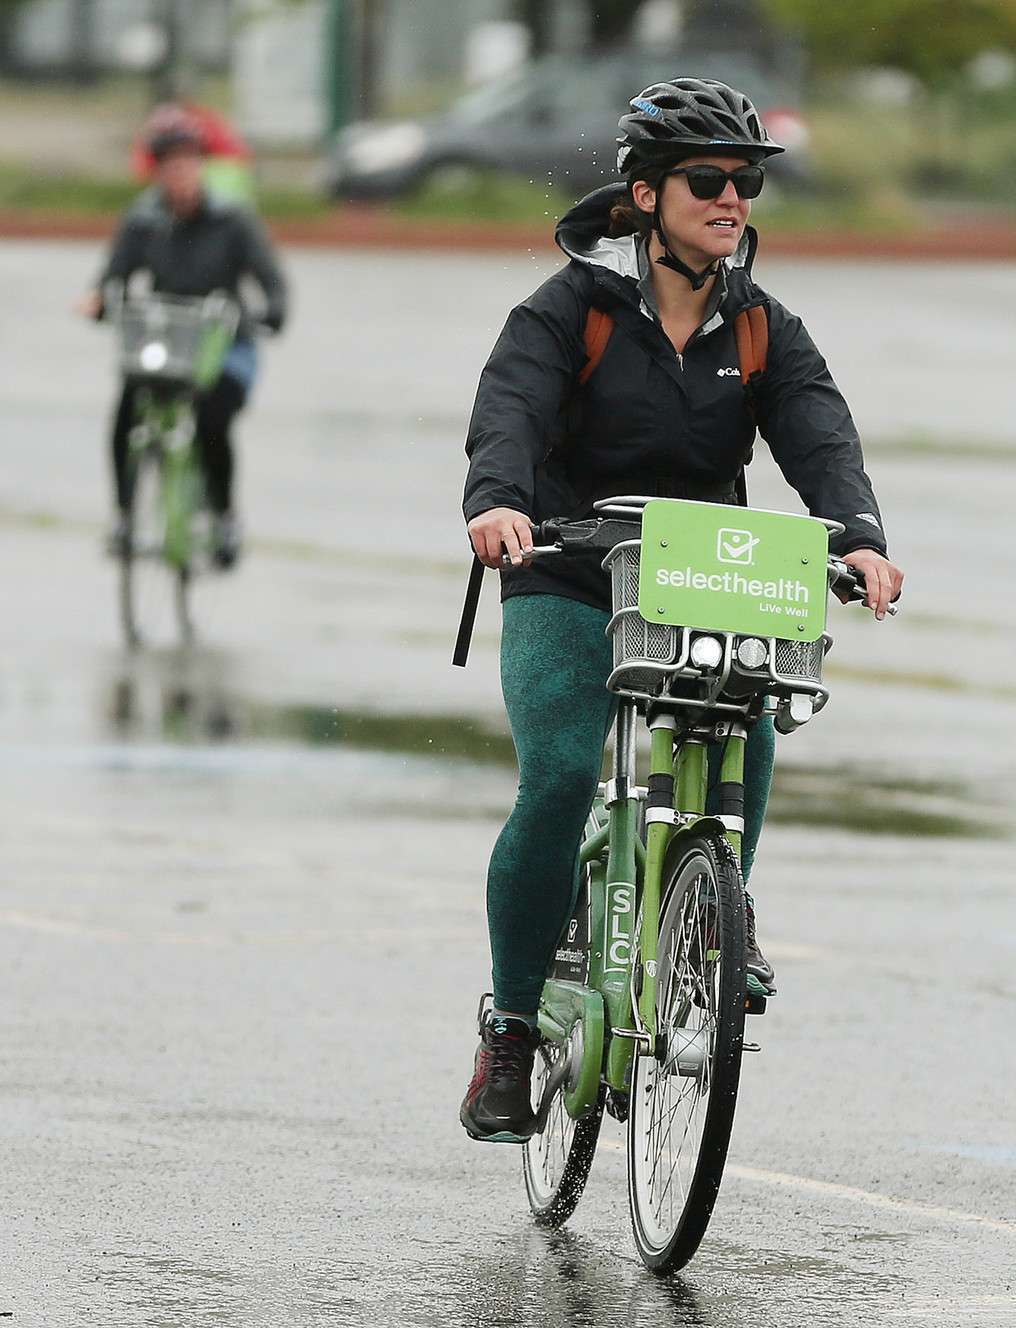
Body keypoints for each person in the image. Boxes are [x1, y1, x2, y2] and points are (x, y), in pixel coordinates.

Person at [458, 77, 904, 1144]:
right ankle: (513, 1022)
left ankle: (716, 915)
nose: (732, 198)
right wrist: (500, 503)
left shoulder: (758, 324)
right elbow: (509, 407)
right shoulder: (567, 307)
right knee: (562, 771)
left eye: (744, 182)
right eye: (708, 179)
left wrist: (858, 533)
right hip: (566, 566)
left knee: (747, 723)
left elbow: (816, 431)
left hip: (701, 572)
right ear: (645, 194)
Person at [77, 107, 288, 567]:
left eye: (188, 163)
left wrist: (271, 311)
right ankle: (124, 514)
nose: (180, 174)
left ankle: (224, 516)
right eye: (169, 165)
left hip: (222, 346)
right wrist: (98, 297)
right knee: (128, 407)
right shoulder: (143, 220)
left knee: (213, 418)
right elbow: (114, 274)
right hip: (165, 344)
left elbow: (271, 279)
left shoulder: (233, 220)